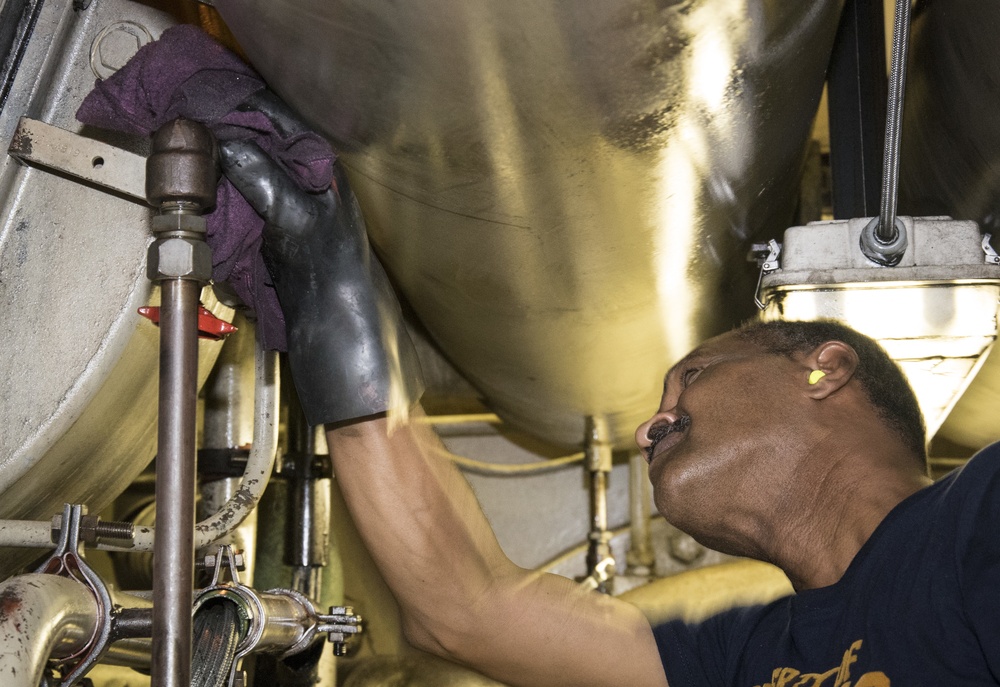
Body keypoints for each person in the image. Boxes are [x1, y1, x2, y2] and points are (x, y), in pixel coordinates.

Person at [219, 98, 1000, 687]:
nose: (651, 425)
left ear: (824, 370)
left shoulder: (977, 520)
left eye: (691, 376)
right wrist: (331, 279)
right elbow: (466, 609)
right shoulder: (748, 655)